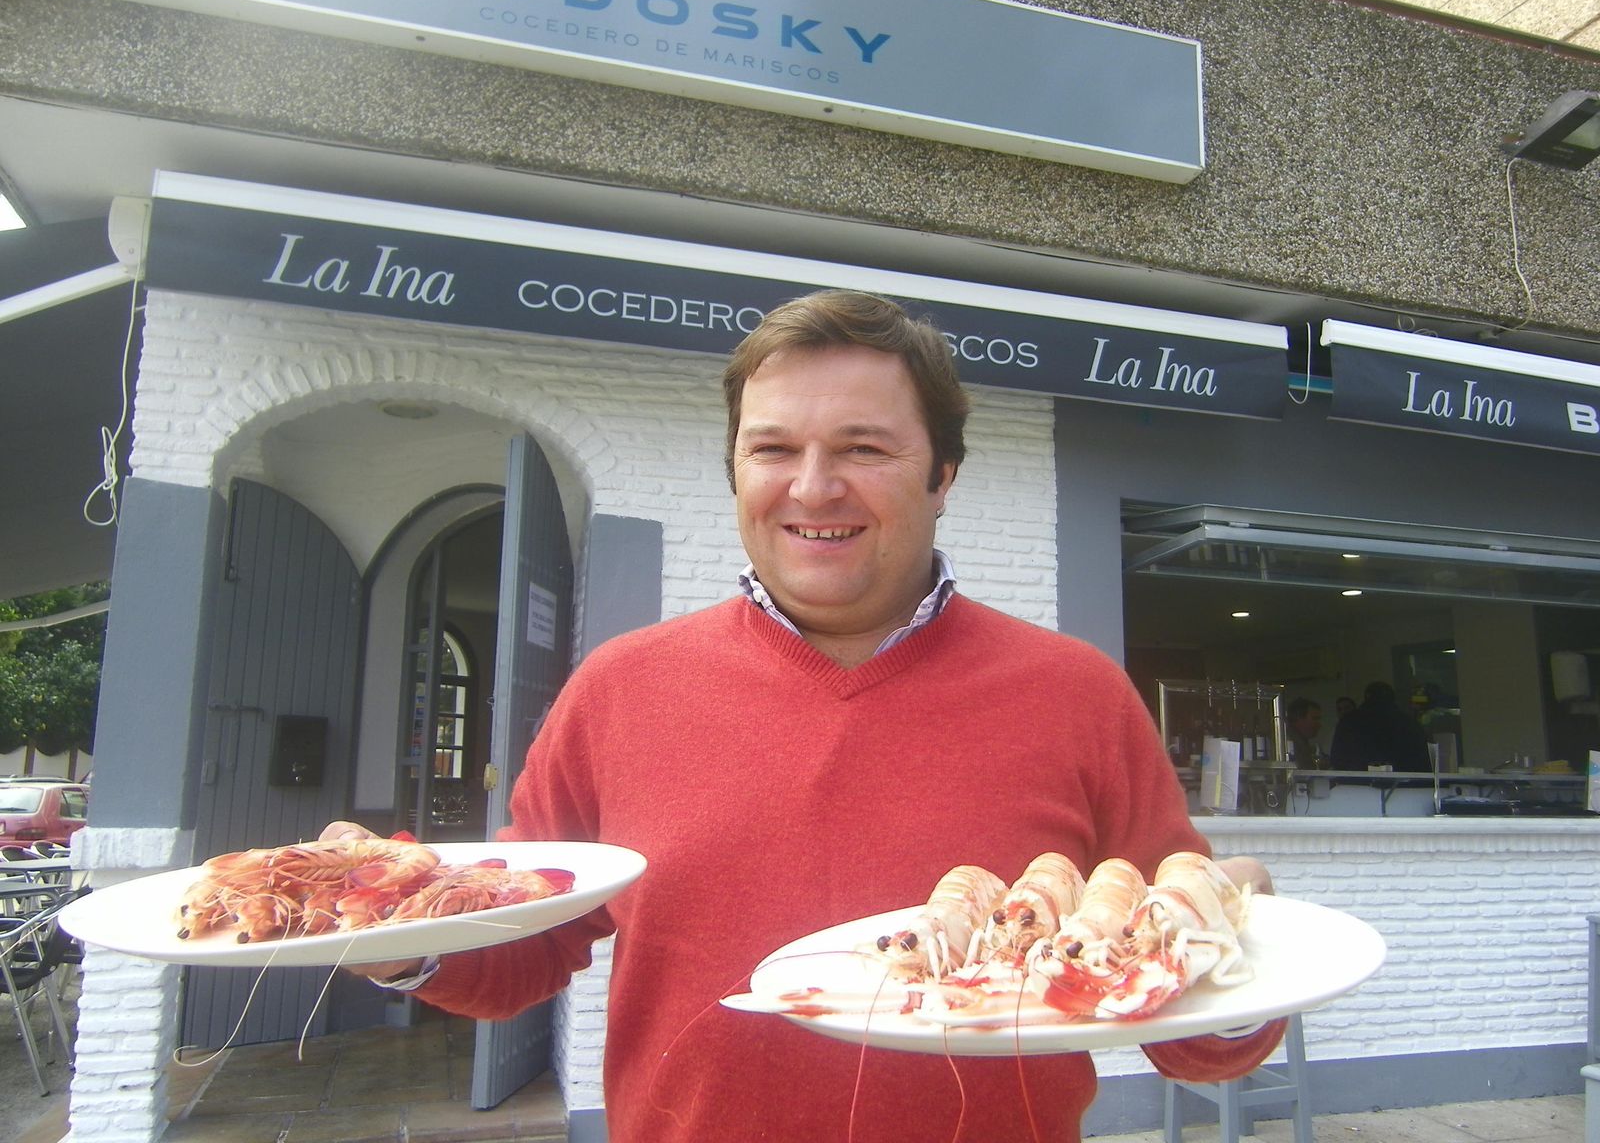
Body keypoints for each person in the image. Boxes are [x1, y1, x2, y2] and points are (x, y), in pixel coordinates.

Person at [331, 291, 1284, 1142]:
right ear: (736, 471)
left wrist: (1247, 969)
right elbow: (520, 955)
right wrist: (396, 933)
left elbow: (1191, 1033)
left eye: (864, 448)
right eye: (773, 449)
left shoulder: (1078, 697)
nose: (814, 486)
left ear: (943, 473)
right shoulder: (618, 689)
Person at [1329, 680, 1433, 772]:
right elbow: (1424, 762)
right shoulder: (1410, 724)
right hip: (1405, 787)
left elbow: (1337, 760)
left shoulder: (1349, 722)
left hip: (1356, 787)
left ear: (1366, 697)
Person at [1284, 697, 1324, 769]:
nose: (1319, 724)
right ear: (1299, 718)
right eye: (1315, 718)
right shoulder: (1287, 744)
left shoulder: (1301, 742)